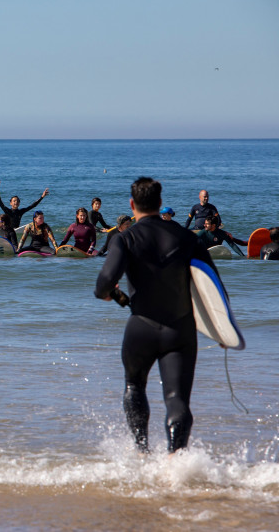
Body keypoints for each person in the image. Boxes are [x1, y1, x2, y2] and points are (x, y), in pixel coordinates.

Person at [95, 177, 216, 454]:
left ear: (131, 204)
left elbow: (102, 286)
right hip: (180, 330)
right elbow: (213, 287)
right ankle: (176, 463)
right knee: (177, 400)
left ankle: (142, 452)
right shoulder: (188, 239)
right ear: (160, 204)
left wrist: (112, 294)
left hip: (141, 327)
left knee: (134, 387)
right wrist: (222, 330)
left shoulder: (125, 239)